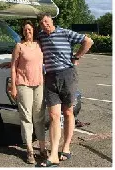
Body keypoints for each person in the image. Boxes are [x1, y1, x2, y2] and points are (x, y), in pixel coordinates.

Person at [36, 13, 93, 167]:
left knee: (68, 112)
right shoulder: (40, 36)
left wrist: (77, 57)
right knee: (54, 115)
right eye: (41, 23)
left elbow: (88, 41)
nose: (44, 25)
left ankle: (66, 147)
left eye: (46, 21)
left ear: (51, 20)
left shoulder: (65, 32)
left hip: (67, 74)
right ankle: (54, 154)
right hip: (50, 77)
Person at [9, 20, 46, 164]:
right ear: (22, 32)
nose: (27, 32)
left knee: (39, 117)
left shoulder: (39, 45)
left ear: (33, 31)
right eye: (25, 30)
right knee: (26, 117)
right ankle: (29, 150)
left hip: (39, 84)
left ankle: (42, 148)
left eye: (29, 30)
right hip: (23, 84)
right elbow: (13, 67)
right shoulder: (19, 46)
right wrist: (13, 86)